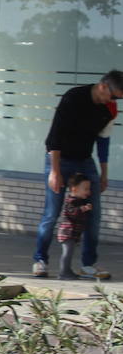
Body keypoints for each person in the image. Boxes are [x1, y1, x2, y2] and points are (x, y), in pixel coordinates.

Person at [32, 70, 123, 281]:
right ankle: (40, 260)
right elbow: (55, 136)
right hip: (60, 159)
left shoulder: (109, 109)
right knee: (52, 213)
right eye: (115, 96)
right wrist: (54, 172)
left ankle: (88, 265)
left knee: (94, 214)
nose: (115, 101)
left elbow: (103, 142)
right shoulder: (73, 98)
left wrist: (103, 174)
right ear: (103, 86)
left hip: (84, 161)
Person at [57, 173, 93, 280]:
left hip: (73, 233)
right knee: (67, 253)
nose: (88, 192)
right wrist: (83, 209)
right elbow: (72, 212)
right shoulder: (71, 201)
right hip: (67, 233)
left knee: (70, 253)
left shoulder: (79, 201)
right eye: (85, 189)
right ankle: (63, 272)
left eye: (89, 189)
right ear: (74, 189)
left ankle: (67, 271)